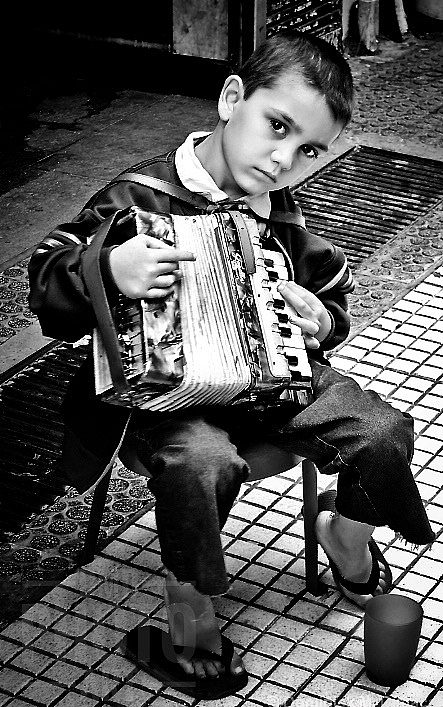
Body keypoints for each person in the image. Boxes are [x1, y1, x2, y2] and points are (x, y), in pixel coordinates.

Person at [28, 30, 434, 701]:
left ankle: (345, 536)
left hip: (270, 382)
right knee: (201, 463)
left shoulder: (282, 219)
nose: (282, 159)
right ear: (230, 97)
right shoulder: (135, 198)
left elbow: (331, 296)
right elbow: (47, 284)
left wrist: (319, 319)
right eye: (275, 126)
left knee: (382, 431)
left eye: (306, 149)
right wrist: (107, 266)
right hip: (161, 402)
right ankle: (189, 628)